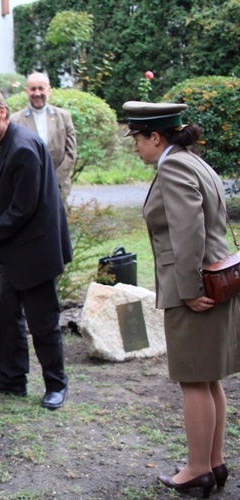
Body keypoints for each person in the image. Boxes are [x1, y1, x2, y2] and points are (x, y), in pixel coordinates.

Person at [124, 101, 240, 498]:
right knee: (208, 379)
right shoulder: (194, 161)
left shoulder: (173, 167)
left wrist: (190, 291)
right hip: (216, 280)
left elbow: (188, 232)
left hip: (194, 288)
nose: (135, 147)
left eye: (137, 139)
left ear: (155, 137)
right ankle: (212, 462)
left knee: (193, 380)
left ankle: (196, 470)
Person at [0, 89, 71, 411]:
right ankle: (12, 378)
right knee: (8, 318)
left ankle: (56, 384)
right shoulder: (10, 143)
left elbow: (23, 208)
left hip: (36, 251)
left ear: (1, 113)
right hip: (18, 249)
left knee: (42, 321)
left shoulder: (23, 146)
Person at [10, 72, 77, 201]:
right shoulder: (15, 121)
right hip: (27, 189)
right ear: (26, 91)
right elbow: (13, 157)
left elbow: (71, 152)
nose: (37, 93)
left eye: (41, 88)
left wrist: (53, 181)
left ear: (48, 90)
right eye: (33, 89)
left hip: (59, 186)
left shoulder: (64, 117)